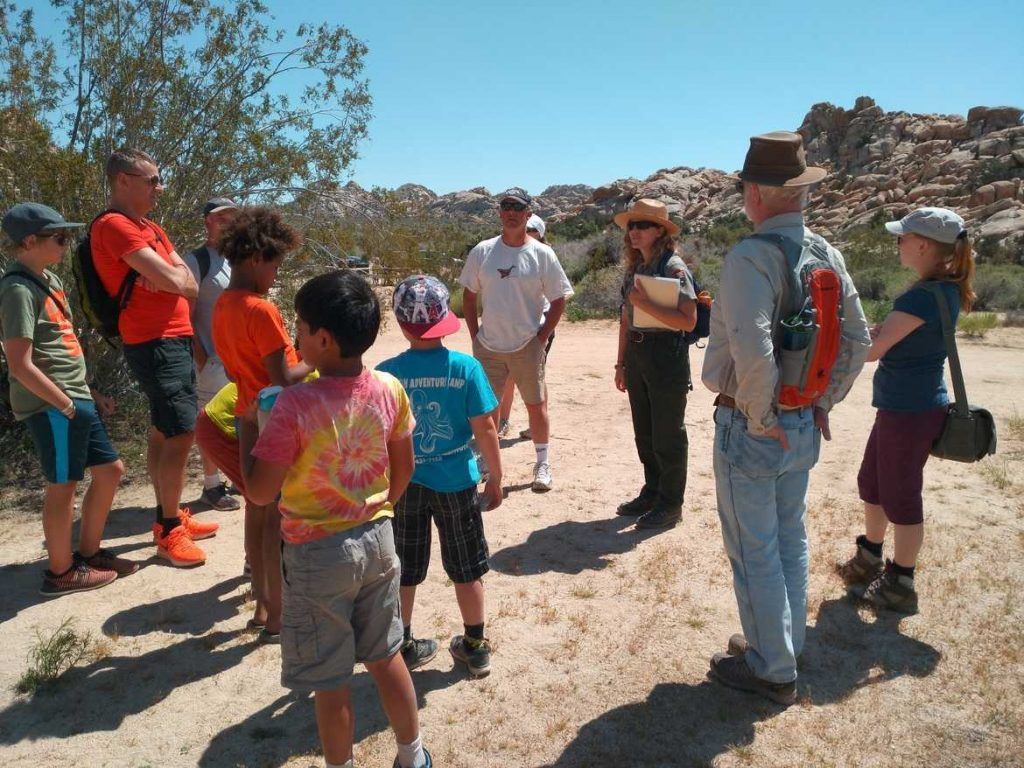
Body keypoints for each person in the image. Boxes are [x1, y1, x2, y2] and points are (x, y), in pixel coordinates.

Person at [701, 131, 870, 704]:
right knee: (789, 539)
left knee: (755, 549)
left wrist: (758, 417)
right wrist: (822, 402)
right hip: (801, 423)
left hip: (757, 427)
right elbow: (858, 337)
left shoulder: (751, 256)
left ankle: (771, 666)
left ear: (756, 191)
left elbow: (753, 346)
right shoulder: (828, 253)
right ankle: (782, 642)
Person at [241, 270, 431, 768]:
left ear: (323, 339)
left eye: (298, 327)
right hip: (378, 539)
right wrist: (376, 505)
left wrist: (248, 436)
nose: (294, 335)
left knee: (330, 680)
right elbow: (404, 466)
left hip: (316, 553)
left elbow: (261, 490)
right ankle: (412, 755)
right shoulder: (389, 387)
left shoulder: (292, 405)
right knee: (385, 654)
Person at [839, 208, 975, 614]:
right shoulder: (941, 291)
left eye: (903, 237)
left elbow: (872, 351)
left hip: (908, 410)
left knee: (900, 494)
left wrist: (838, 339)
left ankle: (901, 581)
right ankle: (870, 554)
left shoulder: (922, 295)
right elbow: (896, 339)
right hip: (905, 407)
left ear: (924, 245)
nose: (897, 243)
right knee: (874, 481)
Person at [1, 203, 138, 595]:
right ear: (30, 241)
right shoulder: (16, 289)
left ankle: (89, 553)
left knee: (110, 470)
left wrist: (88, 393)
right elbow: (20, 363)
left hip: (74, 400)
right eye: (59, 237)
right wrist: (65, 405)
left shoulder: (50, 280)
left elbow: (60, 347)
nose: (66, 243)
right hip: (52, 406)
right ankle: (60, 572)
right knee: (63, 485)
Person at [91, 148, 217, 567]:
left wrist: (170, 279)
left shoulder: (152, 229)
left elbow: (190, 285)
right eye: (151, 180)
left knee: (164, 429)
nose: (158, 188)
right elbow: (174, 277)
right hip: (154, 341)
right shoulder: (114, 226)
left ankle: (169, 513)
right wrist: (169, 277)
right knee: (182, 430)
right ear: (122, 181)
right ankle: (168, 529)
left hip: (173, 338)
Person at [378, 274, 503, 678]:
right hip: (456, 481)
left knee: (405, 566)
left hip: (405, 483)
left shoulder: (386, 373)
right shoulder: (465, 368)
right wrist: (496, 476)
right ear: (445, 316)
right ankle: (475, 644)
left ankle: (405, 642)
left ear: (400, 323)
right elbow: (485, 427)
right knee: (467, 566)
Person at [212, 206, 312, 641]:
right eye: (275, 263)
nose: (276, 272)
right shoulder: (259, 309)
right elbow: (283, 377)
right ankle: (277, 616)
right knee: (275, 525)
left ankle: (260, 604)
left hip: (245, 415)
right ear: (256, 258)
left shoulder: (222, 305)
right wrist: (317, 357)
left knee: (256, 513)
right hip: (274, 420)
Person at [459, 188, 574, 492]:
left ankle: (542, 463)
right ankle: (487, 460)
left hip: (527, 345)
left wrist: (540, 337)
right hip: (489, 346)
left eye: (517, 207)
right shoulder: (483, 251)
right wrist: (475, 336)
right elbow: (468, 297)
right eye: (505, 206)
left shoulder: (541, 254)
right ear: (499, 213)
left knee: (536, 406)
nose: (510, 212)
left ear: (528, 214)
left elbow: (559, 299)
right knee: (487, 408)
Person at [612, 199, 697, 530]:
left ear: (660, 231)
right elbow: (625, 317)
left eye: (642, 225)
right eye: (631, 226)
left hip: (666, 355)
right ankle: (654, 490)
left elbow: (688, 321)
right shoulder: (636, 268)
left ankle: (670, 503)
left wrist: (645, 303)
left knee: (668, 434)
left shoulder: (674, 268)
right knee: (645, 432)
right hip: (637, 355)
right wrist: (620, 364)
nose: (634, 231)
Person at [184, 197, 241, 511]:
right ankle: (211, 485)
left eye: (233, 216)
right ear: (208, 221)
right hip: (213, 358)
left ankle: (234, 475)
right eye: (222, 217)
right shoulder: (196, 261)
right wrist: (201, 356)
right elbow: (185, 313)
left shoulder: (239, 260)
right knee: (209, 420)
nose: (228, 222)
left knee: (240, 417)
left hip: (239, 358)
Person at [496, 214, 554, 441]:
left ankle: (537, 423)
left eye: (532, 229)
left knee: (535, 377)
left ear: (540, 234)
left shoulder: (544, 257)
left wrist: (544, 333)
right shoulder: (506, 254)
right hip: (510, 323)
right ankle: (504, 421)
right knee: (508, 376)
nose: (526, 232)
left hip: (539, 324)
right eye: (525, 228)